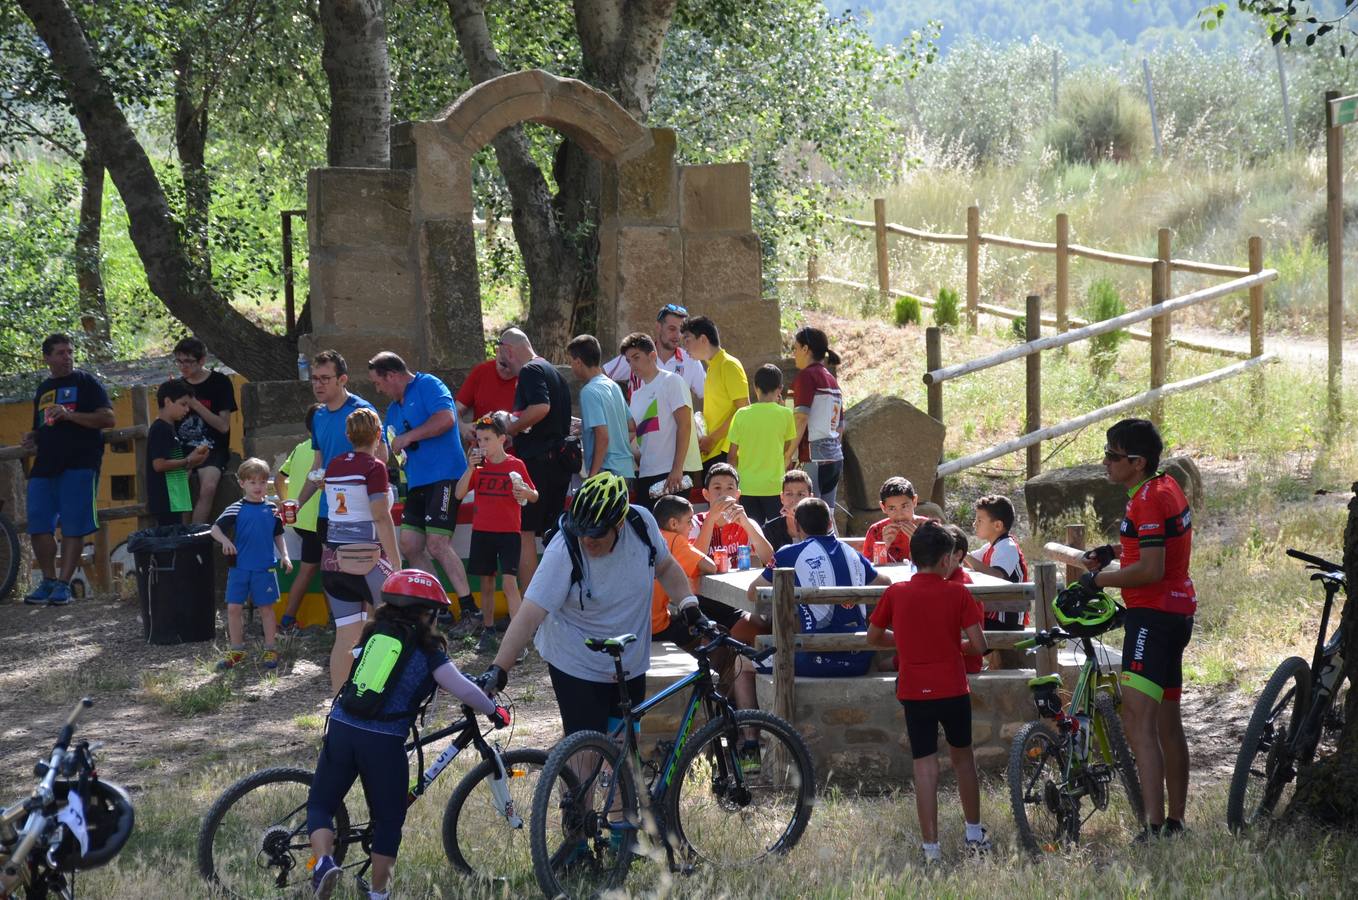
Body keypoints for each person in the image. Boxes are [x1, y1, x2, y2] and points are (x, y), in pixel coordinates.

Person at [307, 569, 507, 900]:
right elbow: (463, 690)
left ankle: (324, 861)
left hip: (343, 727)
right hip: (382, 742)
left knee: (321, 804)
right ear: (428, 612)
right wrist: (493, 711)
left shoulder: (373, 634)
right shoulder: (428, 651)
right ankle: (378, 894)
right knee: (388, 821)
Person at [477, 473, 704, 748]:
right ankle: (573, 790)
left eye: (596, 534)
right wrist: (499, 668)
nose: (587, 540)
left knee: (625, 752)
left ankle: (621, 793)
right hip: (575, 660)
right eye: (581, 531)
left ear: (619, 524)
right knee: (585, 754)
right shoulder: (564, 549)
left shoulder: (641, 524)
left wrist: (689, 606)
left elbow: (666, 566)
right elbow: (529, 614)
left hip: (627, 661)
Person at [1081, 418, 1194, 840]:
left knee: (1137, 719)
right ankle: (1176, 821)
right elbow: (1154, 543)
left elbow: (1150, 568)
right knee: (1167, 721)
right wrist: (1111, 550)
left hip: (1153, 617)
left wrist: (1098, 579)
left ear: (1137, 462)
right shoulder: (1164, 487)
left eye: (1112, 455)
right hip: (1176, 613)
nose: (1105, 462)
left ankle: (1152, 824)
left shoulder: (1147, 499)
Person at [867, 520, 990, 864]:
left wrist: (906, 645)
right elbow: (979, 646)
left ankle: (931, 850)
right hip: (952, 688)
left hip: (913, 691)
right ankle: (974, 833)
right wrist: (952, 644)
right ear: (946, 559)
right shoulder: (958, 593)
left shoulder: (896, 592)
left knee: (924, 768)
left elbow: (873, 638)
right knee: (963, 760)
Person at [368, 352, 477, 626]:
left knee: (437, 543)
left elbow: (446, 419)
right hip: (416, 482)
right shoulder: (393, 410)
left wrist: (409, 437)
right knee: (409, 544)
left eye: (378, 382)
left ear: (391, 375)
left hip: (445, 476)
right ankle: (439, 606)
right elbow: (384, 448)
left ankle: (470, 609)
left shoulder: (429, 385)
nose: (377, 389)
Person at [22, 333, 115, 606]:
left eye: (70, 352)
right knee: (39, 525)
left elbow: (109, 418)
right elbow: (42, 426)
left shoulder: (87, 382)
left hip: (81, 463)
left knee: (73, 527)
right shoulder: (43, 389)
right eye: (61, 353)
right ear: (47, 358)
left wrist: (70, 414)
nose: (67, 357)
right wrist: (33, 436)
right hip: (44, 466)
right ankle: (48, 581)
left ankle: (64, 585)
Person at [318, 408, 403, 694]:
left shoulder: (334, 464)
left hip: (332, 561)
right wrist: (397, 563)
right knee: (390, 628)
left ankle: (339, 706)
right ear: (379, 435)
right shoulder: (374, 467)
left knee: (346, 635)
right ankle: (375, 694)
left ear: (347, 435)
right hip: (366, 560)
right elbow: (380, 515)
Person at [292, 350, 389, 568]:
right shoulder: (318, 416)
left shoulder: (362, 411)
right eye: (315, 379)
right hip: (328, 510)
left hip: (360, 512)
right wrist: (297, 504)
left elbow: (382, 458)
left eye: (325, 379)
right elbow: (318, 465)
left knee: (365, 576)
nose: (318, 385)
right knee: (332, 577)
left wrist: (345, 481)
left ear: (342, 379)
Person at [454, 413, 537, 655]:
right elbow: (459, 494)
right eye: (479, 440)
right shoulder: (478, 466)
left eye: (487, 439)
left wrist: (524, 492)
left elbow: (534, 495)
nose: (482, 445)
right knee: (487, 583)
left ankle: (518, 638)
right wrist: (470, 468)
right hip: (482, 532)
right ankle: (488, 632)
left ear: (502, 439)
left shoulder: (516, 465)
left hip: (509, 533)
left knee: (510, 584)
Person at [499, 327, 572, 588]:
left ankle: (531, 602)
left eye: (501, 355)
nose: (502, 364)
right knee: (554, 534)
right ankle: (559, 596)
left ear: (507, 349)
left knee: (525, 532)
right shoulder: (554, 373)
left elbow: (541, 408)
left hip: (538, 463)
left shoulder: (530, 371)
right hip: (559, 462)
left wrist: (509, 428)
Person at [209, 458, 292, 671]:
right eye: (253, 482)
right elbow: (215, 529)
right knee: (234, 608)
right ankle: (236, 650)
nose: (258, 487)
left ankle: (270, 648)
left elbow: (279, 535)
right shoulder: (235, 508)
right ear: (242, 483)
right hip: (239, 568)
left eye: (263, 482)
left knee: (266, 608)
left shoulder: (272, 509)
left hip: (264, 568)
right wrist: (226, 541)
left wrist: (285, 555)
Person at [622, 332, 701, 508]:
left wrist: (677, 468)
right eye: (629, 361)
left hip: (672, 474)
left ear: (652, 355)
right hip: (645, 473)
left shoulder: (672, 381)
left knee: (672, 534)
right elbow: (640, 437)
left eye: (636, 357)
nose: (632, 365)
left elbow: (685, 425)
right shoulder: (635, 396)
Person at [172, 337, 238, 524]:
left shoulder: (220, 382)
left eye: (188, 361)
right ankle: (183, 535)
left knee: (208, 487)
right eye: (179, 361)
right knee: (179, 489)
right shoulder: (175, 386)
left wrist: (194, 403)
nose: (183, 366)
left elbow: (223, 426)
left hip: (212, 447)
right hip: (182, 447)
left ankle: (195, 533)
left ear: (202, 360)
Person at [727, 364, 796, 525]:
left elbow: (731, 457)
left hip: (746, 487)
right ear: (780, 389)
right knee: (778, 533)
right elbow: (787, 450)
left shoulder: (741, 414)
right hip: (774, 487)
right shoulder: (786, 414)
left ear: (755, 387)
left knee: (751, 535)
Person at [276, 405, 323, 632]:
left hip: (301, 520)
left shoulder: (299, 447)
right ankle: (288, 618)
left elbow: (279, 478)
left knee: (316, 568)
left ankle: (289, 617)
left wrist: (287, 503)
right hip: (315, 521)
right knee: (316, 570)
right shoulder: (325, 448)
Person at [680, 315, 748, 473]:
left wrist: (713, 439)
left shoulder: (729, 365)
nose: (685, 347)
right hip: (713, 450)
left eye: (688, 340)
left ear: (703, 339)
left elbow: (743, 410)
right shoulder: (712, 367)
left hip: (726, 452)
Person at [602, 302, 706, 405]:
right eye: (672, 329)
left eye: (681, 331)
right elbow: (600, 378)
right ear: (658, 327)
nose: (677, 335)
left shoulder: (691, 360)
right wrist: (618, 409)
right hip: (639, 422)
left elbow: (707, 395)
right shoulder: (636, 355)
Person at [789, 326, 844, 512]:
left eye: (795, 348)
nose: (794, 353)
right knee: (827, 516)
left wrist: (787, 455)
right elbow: (841, 427)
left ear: (806, 349)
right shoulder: (831, 379)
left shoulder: (806, 376)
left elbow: (802, 418)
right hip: (835, 457)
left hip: (813, 456)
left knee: (808, 515)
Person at [650, 494, 716, 646]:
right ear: (673, 523)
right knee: (715, 635)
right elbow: (710, 567)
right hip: (656, 627)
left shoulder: (648, 536)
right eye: (688, 521)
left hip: (634, 626)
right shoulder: (674, 540)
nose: (692, 527)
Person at [566, 334, 635, 480]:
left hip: (607, 473)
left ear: (578, 362)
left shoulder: (588, 392)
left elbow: (603, 436)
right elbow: (631, 426)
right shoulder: (613, 385)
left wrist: (592, 477)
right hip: (626, 470)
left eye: (571, 362)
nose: (571, 367)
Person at [145, 380, 211, 527]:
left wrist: (195, 461)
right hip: (165, 500)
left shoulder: (170, 428)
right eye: (183, 404)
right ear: (168, 401)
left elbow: (173, 463)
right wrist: (187, 461)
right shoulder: (160, 429)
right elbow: (159, 464)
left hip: (175, 498)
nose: (187, 409)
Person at [963, 494, 1028, 631]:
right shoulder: (990, 547)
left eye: (979, 520)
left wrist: (962, 553)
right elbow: (967, 562)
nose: (974, 524)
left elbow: (996, 576)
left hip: (1005, 622)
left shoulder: (1008, 547)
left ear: (998, 525)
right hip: (991, 617)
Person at [454, 342, 518, 444]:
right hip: (482, 451)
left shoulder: (525, 376)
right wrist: (462, 427)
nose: (508, 370)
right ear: (497, 352)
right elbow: (456, 409)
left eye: (513, 365)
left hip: (515, 452)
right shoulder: (482, 371)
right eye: (503, 364)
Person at [862, 477, 932, 564]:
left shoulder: (930, 528)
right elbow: (867, 569)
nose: (899, 514)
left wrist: (918, 543)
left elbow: (939, 566)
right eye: (892, 508)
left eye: (904, 506)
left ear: (914, 501)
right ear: (883, 507)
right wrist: (884, 545)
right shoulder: (876, 531)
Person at [761, 469, 813, 552]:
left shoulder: (820, 526)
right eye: (789, 494)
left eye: (801, 494)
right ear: (782, 498)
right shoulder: (769, 530)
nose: (794, 500)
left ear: (810, 498)